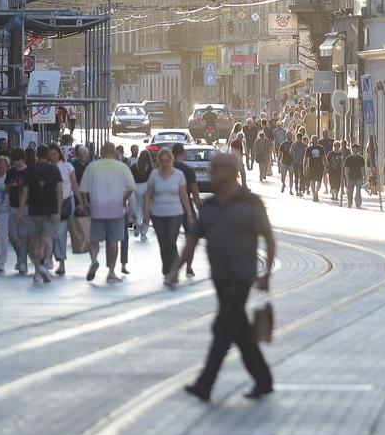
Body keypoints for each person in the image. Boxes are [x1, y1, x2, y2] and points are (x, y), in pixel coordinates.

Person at [172, 154, 275, 401]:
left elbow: (269, 239)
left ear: (232, 171)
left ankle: (205, 384)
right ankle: (264, 380)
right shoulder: (208, 205)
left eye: (217, 169)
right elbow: (193, 239)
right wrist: (176, 268)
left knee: (223, 327)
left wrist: (266, 273)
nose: (213, 172)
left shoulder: (251, 202)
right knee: (238, 329)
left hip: (241, 276)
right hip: (219, 276)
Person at [81, 142, 137, 283]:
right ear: (115, 152)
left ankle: (94, 260)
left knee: (94, 240)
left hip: (97, 209)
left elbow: (83, 190)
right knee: (113, 242)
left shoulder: (92, 167)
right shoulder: (122, 167)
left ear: (101, 151)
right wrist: (123, 199)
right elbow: (131, 187)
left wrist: (86, 204)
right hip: (116, 210)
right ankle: (111, 272)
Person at [145, 147, 192, 279]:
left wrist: (189, 213)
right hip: (157, 213)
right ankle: (167, 269)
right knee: (163, 242)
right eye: (162, 161)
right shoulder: (154, 174)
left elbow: (184, 196)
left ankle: (174, 270)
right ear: (159, 161)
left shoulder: (179, 175)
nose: (165, 163)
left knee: (171, 241)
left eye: (167, 160)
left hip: (175, 213)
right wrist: (146, 213)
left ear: (171, 160)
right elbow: (148, 195)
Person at [21, 145, 63, 284]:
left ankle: (37, 270)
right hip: (51, 209)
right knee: (48, 240)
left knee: (36, 241)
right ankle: (46, 264)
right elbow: (60, 190)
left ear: (37, 155)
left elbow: (25, 191)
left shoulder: (30, 170)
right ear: (48, 156)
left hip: (34, 210)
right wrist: (59, 209)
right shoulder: (54, 169)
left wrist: (21, 210)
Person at [51, 144, 77, 276]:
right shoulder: (48, 168)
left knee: (60, 234)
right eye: (51, 154)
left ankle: (61, 262)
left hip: (66, 202)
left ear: (59, 154)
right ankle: (54, 257)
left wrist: (82, 202)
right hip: (49, 204)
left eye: (55, 154)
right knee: (51, 235)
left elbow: (74, 185)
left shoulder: (68, 167)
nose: (53, 157)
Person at [3, 150, 29, 274]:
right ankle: (21, 256)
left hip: (27, 207)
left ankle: (22, 262)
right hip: (13, 206)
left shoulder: (29, 171)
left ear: (23, 159)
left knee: (23, 235)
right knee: (12, 235)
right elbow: (6, 189)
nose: (16, 162)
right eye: (14, 160)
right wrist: (10, 185)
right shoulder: (10, 172)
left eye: (19, 159)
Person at [344, 144, 367, 209]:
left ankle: (358, 203)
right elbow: (346, 168)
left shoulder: (361, 158)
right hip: (350, 177)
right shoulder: (348, 158)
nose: (354, 150)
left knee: (358, 191)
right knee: (350, 191)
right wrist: (346, 177)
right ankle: (349, 202)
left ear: (357, 149)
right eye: (353, 148)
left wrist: (363, 177)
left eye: (356, 148)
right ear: (352, 149)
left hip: (358, 177)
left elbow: (362, 168)